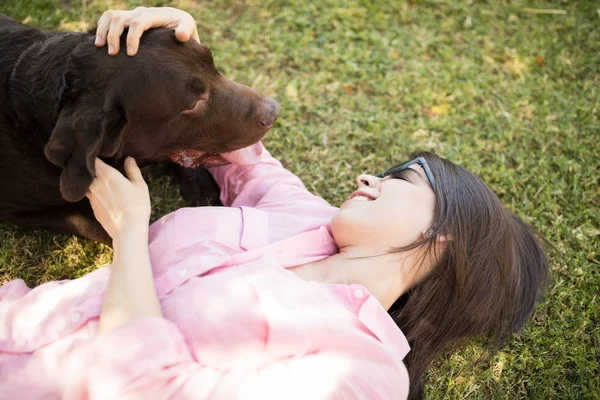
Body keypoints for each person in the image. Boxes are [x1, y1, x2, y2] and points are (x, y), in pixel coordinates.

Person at [0, 7, 549, 400]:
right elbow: (244, 148)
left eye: (402, 179)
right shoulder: (303, 217)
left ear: (443, 231)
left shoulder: (362, 373)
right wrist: (172, 35)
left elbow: (144, 387)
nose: (369, 177)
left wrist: (129, 231)